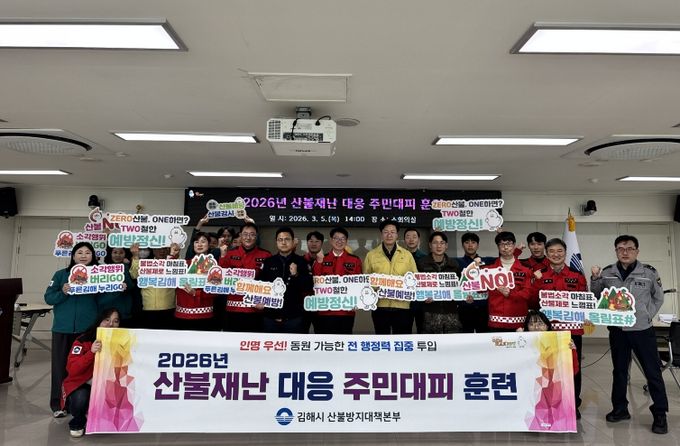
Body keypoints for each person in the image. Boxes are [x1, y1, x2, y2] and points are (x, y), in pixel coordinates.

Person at [590, 235, 668, 434]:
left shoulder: (649, 273)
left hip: (642, 330)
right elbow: (596, 296)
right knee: (619, 371)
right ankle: (620, 409)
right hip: (618, 331)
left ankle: (660, 414)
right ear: (616, 251)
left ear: (637, 251)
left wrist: (646, 315)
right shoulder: (607, 273)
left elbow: (658, 297)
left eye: (630, 248)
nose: (625, 252)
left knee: (652, 371)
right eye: (620, 249)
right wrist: (595, 279)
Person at [44, 242, 103, 417]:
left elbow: (105, 300)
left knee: (85, 368)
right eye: (80, 252)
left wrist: (118, 287)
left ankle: (80, 405)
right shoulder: (61, 275)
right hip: (62, 329)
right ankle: (58, 405)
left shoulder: (99, 275)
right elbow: (49, 298)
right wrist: (63, 292)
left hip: (86, 331)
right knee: (60, 368)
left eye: (88, 252)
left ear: (93, 256)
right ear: (73, 256)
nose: (83, 255)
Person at [533, 238, 587, 419]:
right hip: (547, 332)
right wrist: (536, 282)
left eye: (559, 251)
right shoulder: (540, 275)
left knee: (573, 368)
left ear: (565, 253)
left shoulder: (576, 275)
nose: (556, 254)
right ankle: (548, 403)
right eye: (552, 251)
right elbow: (532, 302)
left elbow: (584, 300)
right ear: (546, 254)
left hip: (571, 331)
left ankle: (573, 404)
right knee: (547, 368)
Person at [60, 308, 121, 438]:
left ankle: (101, 416)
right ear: (99, 321)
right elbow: (72, 369)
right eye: (107, 320)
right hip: (82, 384)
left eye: (115, 321)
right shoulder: (83, 340)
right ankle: (78, 421)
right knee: (80, 397)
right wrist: (91, 353)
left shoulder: (123, 341)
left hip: (106, 384)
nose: (111, 324)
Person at [363, 220, 418, 334]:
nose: (389, 235)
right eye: (386, 232)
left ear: (397, 235)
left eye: (392, 232)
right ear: (381, 234)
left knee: (402, 340)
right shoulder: (371, 255)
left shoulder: (407, 255)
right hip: (380, 306)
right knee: (382, 340)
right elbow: (365, 280)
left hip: (403, 306)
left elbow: (415, 278)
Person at [218, 222, 272, 332]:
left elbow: (270, 281)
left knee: (252, 341)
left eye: (252, 234)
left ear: (256, 237)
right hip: (233, 309)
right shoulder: (229, 254)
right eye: (245, 234)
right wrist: (222, 256)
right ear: (240, 236)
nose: (248, 237)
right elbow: (220, 278)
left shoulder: (266, 255)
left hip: (255, 310)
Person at [260, 227, 314, 333]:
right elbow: (260, 284)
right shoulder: (268, 262)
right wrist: (258, 301)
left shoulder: (301, 261)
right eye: (280, 239)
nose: (283, 242)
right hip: (270, 317)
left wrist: (296, 274)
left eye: (287, 239)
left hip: (294, 318)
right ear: (276, 242)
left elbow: (309, 286)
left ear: (293, 241)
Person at [312, 227, 362, 334]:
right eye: (336, 238)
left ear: (346, 241)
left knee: (344, 341)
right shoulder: (322, 258)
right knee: (325, 341)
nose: (339, 241)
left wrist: (357, 302)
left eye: (342, 238)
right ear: (331, 240)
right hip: (325, 310)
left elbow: (359, 284)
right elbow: (315, 281)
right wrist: (319, 262)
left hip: (346, 311)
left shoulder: (355, 260)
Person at [485, 231, 533, 332]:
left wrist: (510, 294)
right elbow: (480, 289)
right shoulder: (488, 269)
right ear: (498, 247)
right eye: (501, 244)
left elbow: (527, 293)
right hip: (496, 321)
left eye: (508, 244)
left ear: (514, 245)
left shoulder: (525, 269)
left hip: (518, 321)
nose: (505, 247)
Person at [416, 231, 462, 333]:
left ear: (446, 246)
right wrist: (423, 298)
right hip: (429, 315)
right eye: (435, 243)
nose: (439, 246)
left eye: (442, 243)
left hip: (451, 314)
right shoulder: (421, 264)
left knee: (452, 341)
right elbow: (415, 287)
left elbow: (461, 287)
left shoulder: (454, 264)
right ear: (430, 245)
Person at [129, 243, 179, 330]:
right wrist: (135, 256)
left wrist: (174, 255)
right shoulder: (146, 264)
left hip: (168, 308)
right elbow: (134, 275)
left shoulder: (173, 263)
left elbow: (180, 275)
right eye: (158, 248)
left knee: (167, 335)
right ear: (153, 250)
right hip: (148, 308)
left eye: (164, 248)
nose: (162, 251)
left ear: (168, 250)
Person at [175, 231, 216, 330]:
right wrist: (173, 255)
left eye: (203, 241)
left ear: (209, 245)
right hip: (182, 315)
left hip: (204, 315)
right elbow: (168, 276)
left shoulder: (214, 266)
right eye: (196, 242)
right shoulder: (183, 264)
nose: (199, 244)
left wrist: (195, 293)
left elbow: (216, 291)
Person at [457, 232, 496, 333]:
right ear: (462, 245)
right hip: (464, 307)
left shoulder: (487, 261)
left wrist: (500, 234)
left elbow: (504, 258)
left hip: (484, 308)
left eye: (473, 242)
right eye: (467, 242)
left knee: (484, 338)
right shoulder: (457, 262)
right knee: (465, 337)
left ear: (478, 245)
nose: (470, 245)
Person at [98, 246, 135, 326]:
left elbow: (130, 286)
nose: (118, 255)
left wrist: (125, 266)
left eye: (121, 252)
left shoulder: (129, 268)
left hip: (123, 313)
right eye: (115, 252)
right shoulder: (102, 269)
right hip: (106, 312)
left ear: (125, 254)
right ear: (110, 254)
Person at [404, 228, 427, 333]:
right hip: (404, 300)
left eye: (414, 237)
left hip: (422, 301)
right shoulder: (399, 256)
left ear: (419, 240)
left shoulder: (425, 258)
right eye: (408, 237)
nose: (411, 240)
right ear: (404, 240)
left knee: (422, 330)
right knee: (404, 331)